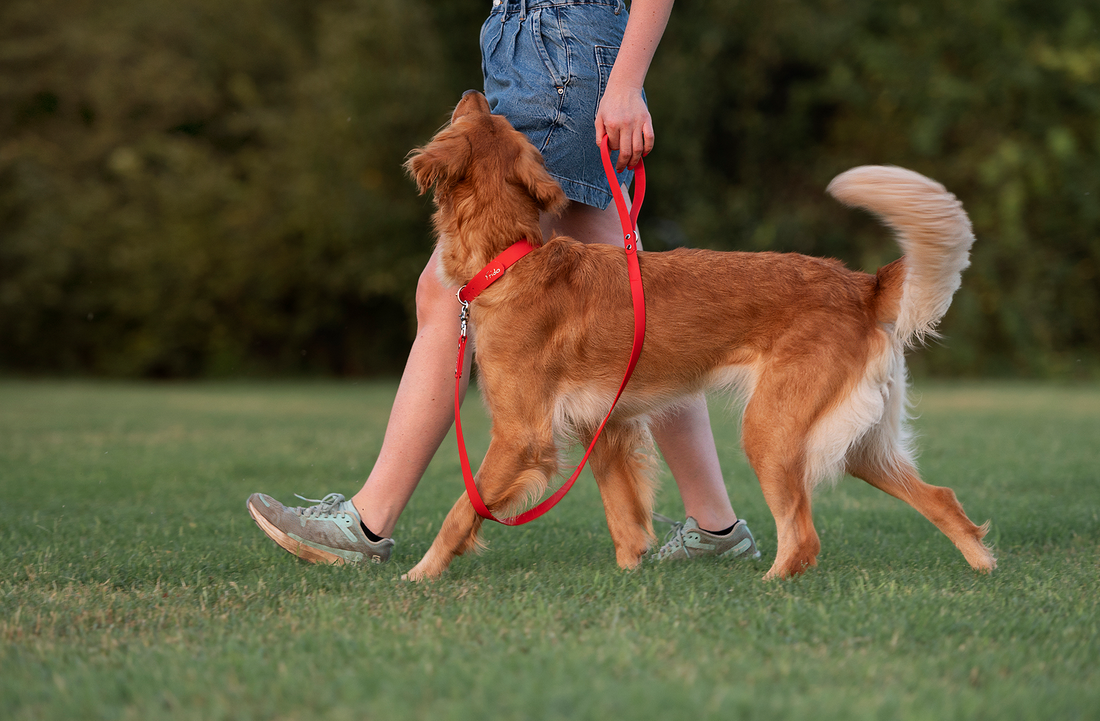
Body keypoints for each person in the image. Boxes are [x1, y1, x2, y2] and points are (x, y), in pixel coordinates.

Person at [247, 0, 760, 566]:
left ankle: (367, 522)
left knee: (452, 292)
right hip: (536, 47)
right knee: (630, 305)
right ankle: (714, 525)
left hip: (562, 50)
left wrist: (626, 83)